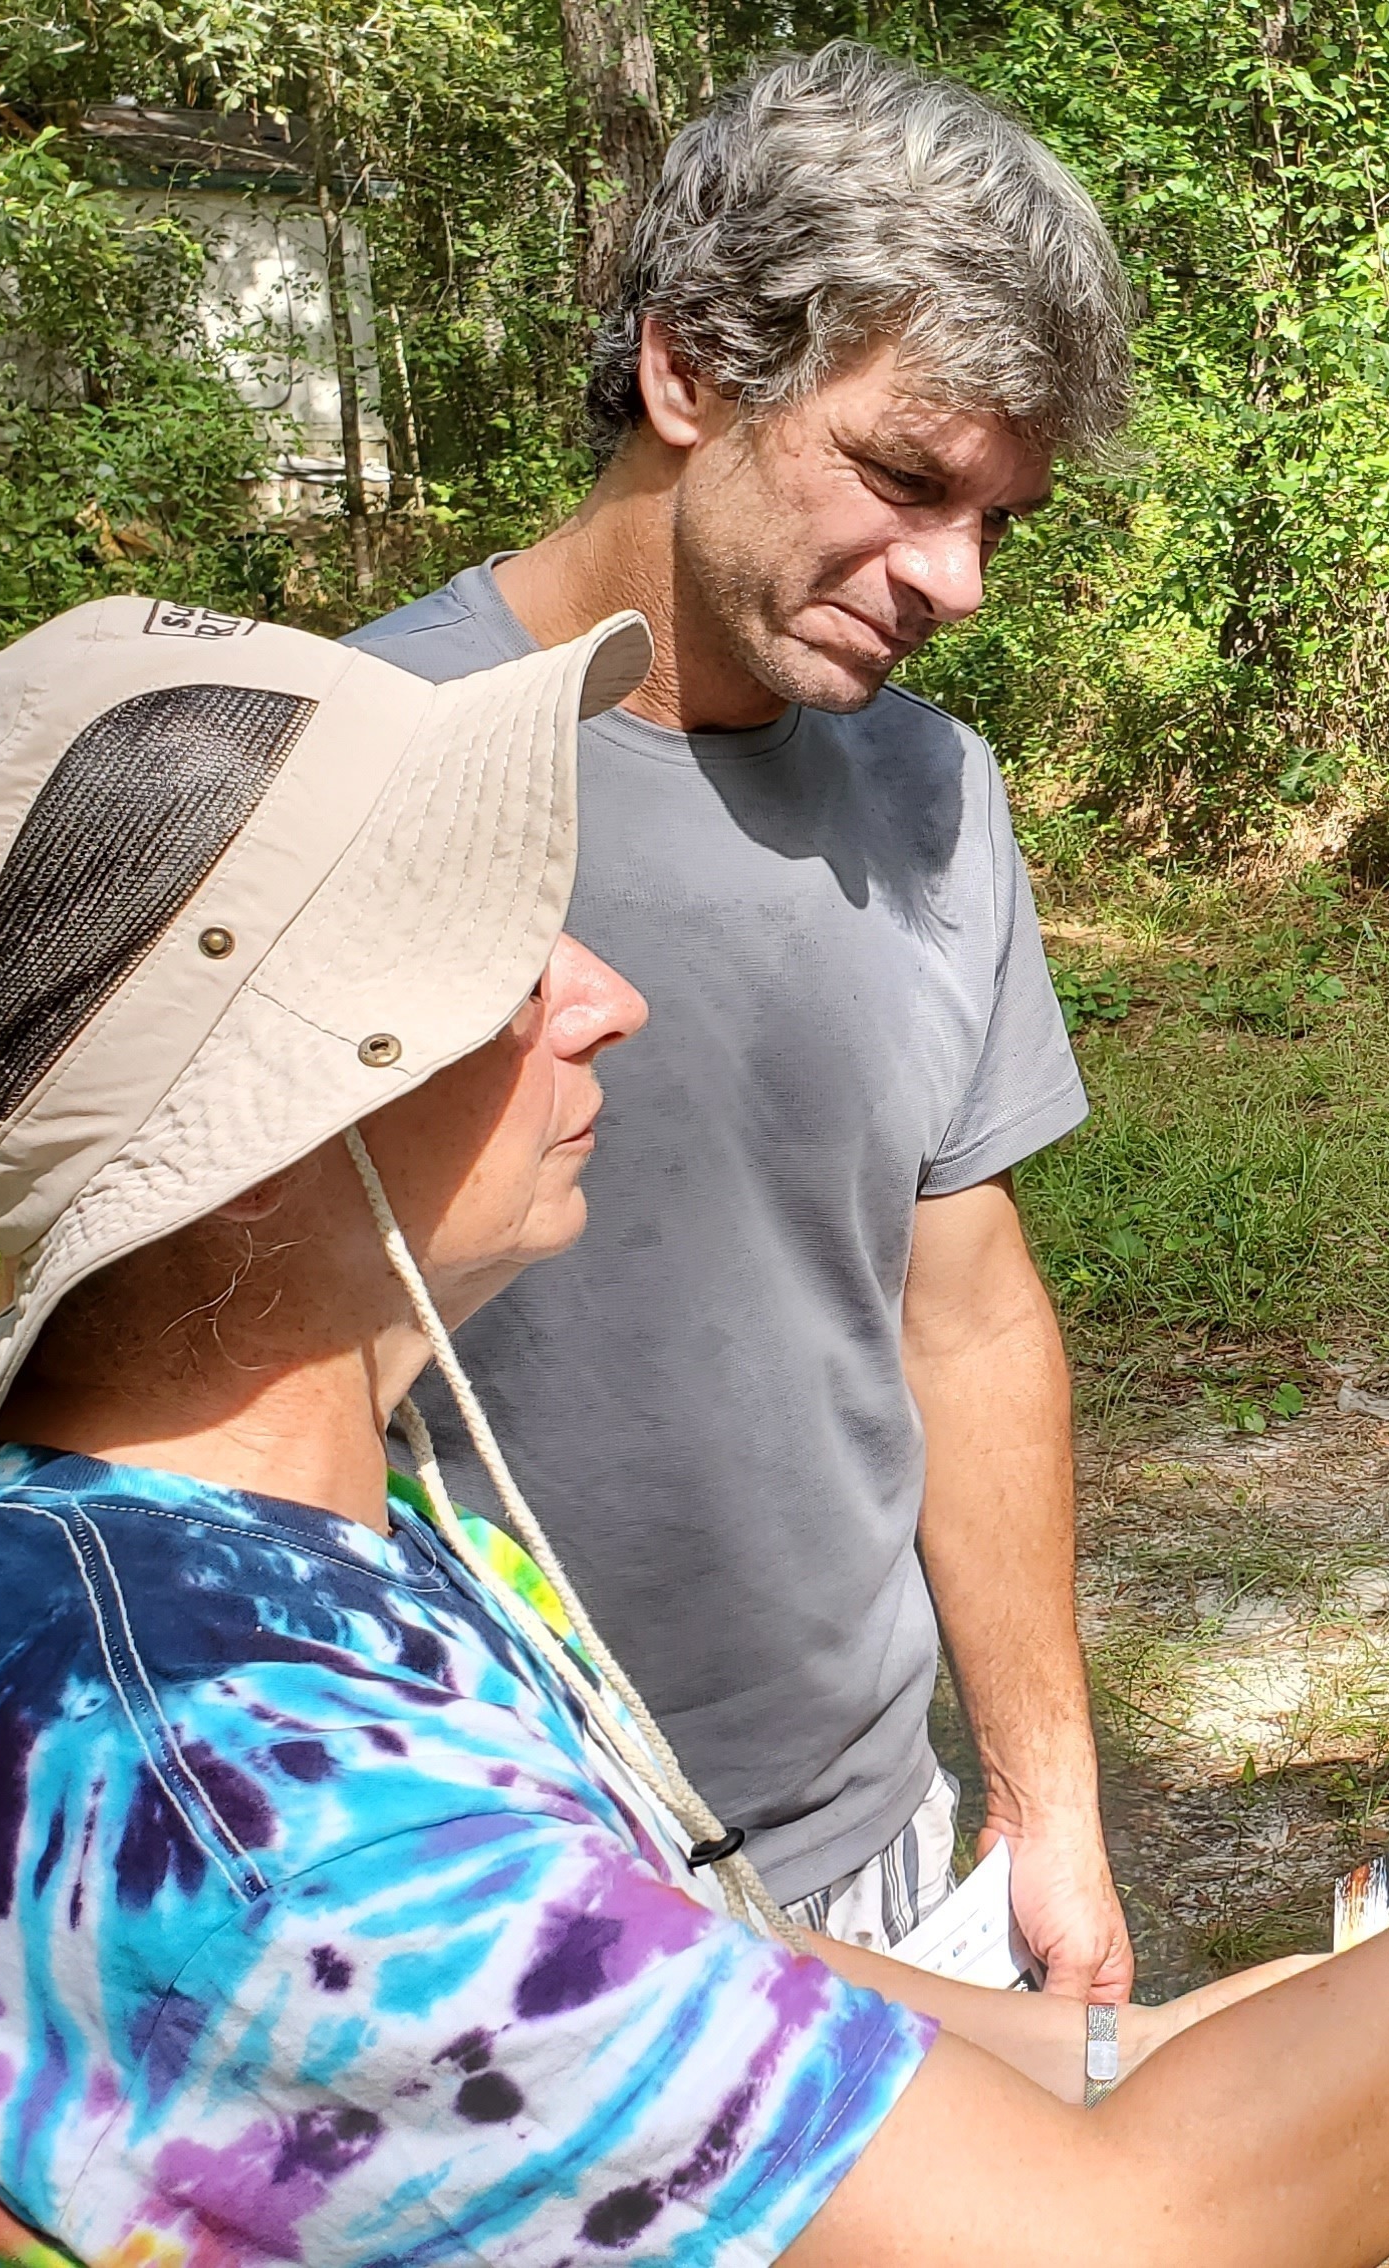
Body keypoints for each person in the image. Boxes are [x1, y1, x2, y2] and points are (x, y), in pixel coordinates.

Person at [0, 596, 1389, 2267]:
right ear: (268, 1131)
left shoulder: (123, 1525)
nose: (600, 992)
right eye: (486, 958)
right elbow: (1152, 2240)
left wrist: (1138, 2051)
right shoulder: (251, 1809)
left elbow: (655, 1961)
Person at [342, 43, 1141, 1976]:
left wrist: (1047, 1805)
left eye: (999, 524)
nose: (954, 578)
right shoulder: (334, 769)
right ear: (689, 365)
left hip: (875, 1851)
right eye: (903, 477)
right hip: (462, 1886)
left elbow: (964, 1315)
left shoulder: (936, 799)